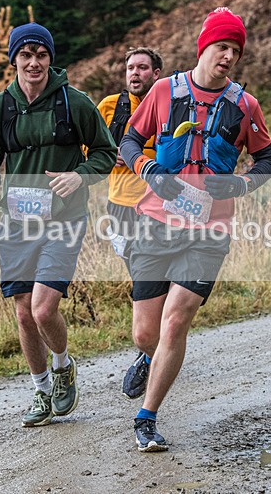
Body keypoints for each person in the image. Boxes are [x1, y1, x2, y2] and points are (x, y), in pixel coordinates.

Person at [119, 7, 271, 452]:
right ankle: (147, 357)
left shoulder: (245, 106)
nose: (228, 56)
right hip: (154, 222)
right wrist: (147, 167)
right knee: (146, 333)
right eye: (221, 46)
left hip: (210, 229)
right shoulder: (163, 91)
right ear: (203, 47)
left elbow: (267, 161)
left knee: (175, 322)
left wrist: (240, 184)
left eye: (235, 50)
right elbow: (129, 139)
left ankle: (146, 417)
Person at [0, 23, 116, 427]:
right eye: (26, 55)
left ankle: (62, 365)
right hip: (15, 224)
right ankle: (40, 390)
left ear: (50, 59)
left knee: (43, 307)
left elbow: (106, 153)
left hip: (63, 221)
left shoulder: (74, 103)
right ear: (14, 59)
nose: (34, 63)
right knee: (22, 313)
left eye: (41, 55)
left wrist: (80, 176)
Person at [96, 47, 163, 400]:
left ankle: (147, 352)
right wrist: (110, 154)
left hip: (156, 205)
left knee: (147, 277)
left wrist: (138, 155)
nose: (134, 73)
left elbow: (178, 152)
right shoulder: (109, 106)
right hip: (119, 204)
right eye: (130, 68)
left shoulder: (168, 104)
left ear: (156, 73)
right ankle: (154, 343)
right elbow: (88, 150)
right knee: (137, 274)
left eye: (142, 68)